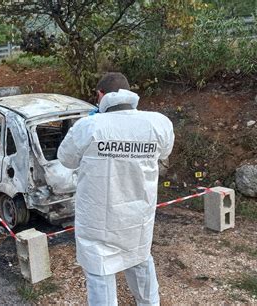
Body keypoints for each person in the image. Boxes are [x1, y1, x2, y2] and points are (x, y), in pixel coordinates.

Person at [57, 72, 174, 306]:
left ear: (100, 95)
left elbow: (66, 159)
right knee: (139, 258)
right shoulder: (158, 123)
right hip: (137, 215)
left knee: (100, 272)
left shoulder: (88, 126)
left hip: (98, 219)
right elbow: (164, 153)